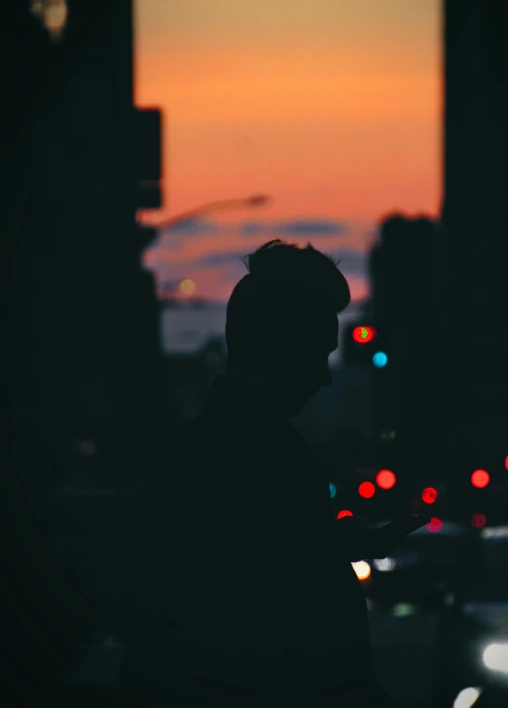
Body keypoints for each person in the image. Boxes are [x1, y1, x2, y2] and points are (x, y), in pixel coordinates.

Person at [114, 239, 399, 707]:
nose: (324, 377)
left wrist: (334, 543)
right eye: (320, 353)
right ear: (285, 345)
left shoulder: (217, 444)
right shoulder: (261, 451)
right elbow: (288, 623)